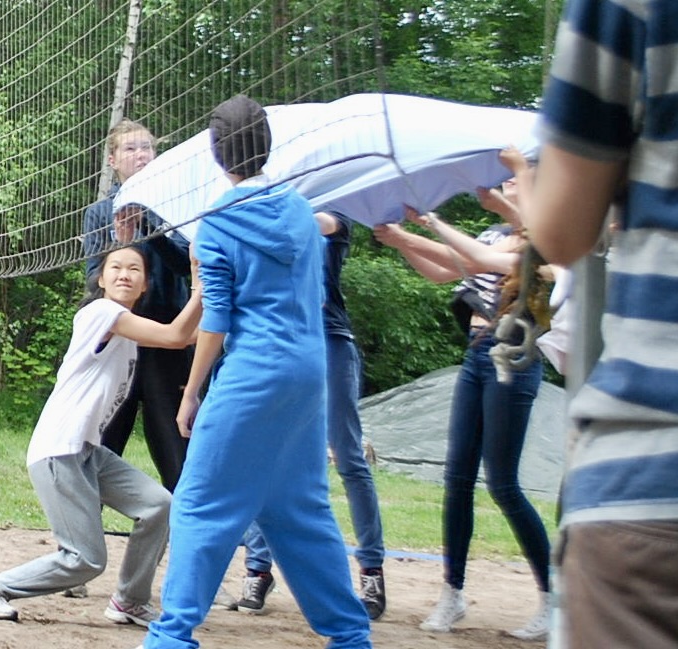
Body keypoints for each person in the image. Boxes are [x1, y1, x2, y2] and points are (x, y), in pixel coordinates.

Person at [144, 95, 372, 649]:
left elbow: (215, 321)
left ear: (218, 155)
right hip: (308, 375)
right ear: (268, 144)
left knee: (199, 503)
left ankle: (171, 638)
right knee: (296, 509)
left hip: (253, 373)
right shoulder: (300, 209)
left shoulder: (216, 223)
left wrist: (191, 392)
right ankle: (350, 637)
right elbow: (318, 275)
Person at [520, 1, 678, 645]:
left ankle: (536, 595)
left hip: (655, 464)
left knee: (503, 483)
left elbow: (558, 233)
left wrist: (525, 185)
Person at [0, 245, 199, 625]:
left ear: (145, 285)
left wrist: (219, 294)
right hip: (60, 450)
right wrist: (202, 281)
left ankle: (129, 601)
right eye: (115, 267)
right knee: (84, 559)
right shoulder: (101, 313)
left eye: (134, 269)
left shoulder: (129, 332)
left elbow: (192, 335)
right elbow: (176, 335)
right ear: (100, 279)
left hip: (88, 452)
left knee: (158, 506)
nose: (124, 274)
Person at [374, 164, 552, 639]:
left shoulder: (547, 236)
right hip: (476, 356)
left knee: (503, 485)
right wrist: (400, 241)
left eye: (517, 178)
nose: (505, 183)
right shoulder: (495, 230)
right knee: (457, 480)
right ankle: (452, 594)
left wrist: (426, 224)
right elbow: (443, 270)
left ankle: (553, 597)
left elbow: (477, 260)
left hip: (513, 360)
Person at [227, 211, 388, 620]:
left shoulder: (324, 215)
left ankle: (371, 570)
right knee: (266, 458)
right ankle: (258, 571)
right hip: (281, 346)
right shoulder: (258, 227)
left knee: (349, 458)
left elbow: (327, 223)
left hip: (330, 343)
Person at [81, 120, 194, 492]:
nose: (141, 155)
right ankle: (85, 535)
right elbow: (94, 278)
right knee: (104, 439)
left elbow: (186, 266)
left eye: (147, 147)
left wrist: (150, 226)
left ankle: (185, 539)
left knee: (175, 445)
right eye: (130, 149)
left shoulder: (178, 206)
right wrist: (122, 242)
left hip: (168, 343)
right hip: (119, 339)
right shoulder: (100, 213)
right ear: (113, 159)